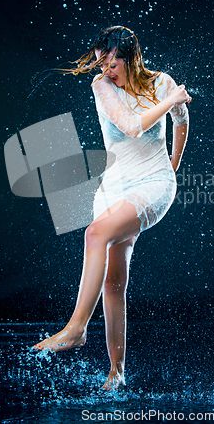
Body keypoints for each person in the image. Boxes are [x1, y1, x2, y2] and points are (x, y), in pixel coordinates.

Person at [34, 26, 191, 390]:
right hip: (112, 187)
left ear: (130, 57)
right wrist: (171, 102)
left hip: (153, 184)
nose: (107, 69)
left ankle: (76, 328)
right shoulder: (102, 86)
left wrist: (173, 165)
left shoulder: (161, 82)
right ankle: (116, 373)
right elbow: (133, 127)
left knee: (95, 233)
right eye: (101, 63)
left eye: (113, 61)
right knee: (113, 281)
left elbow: (182, 122)